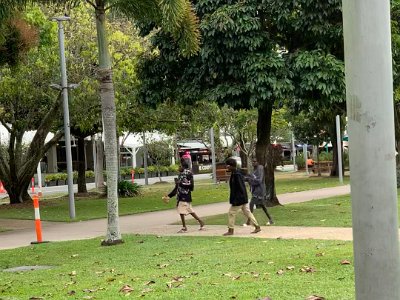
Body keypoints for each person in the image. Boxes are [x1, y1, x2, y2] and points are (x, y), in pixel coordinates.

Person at [162, 160, 204, 233]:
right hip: (181, 195)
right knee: (189, 210)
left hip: (185, 195)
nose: (178, 167)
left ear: (183, 167)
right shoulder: (180, 174)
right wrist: (169, 196)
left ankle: (184, 227)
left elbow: (191, 186)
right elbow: (177, 187)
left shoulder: (188, 174)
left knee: (181, 211)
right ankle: (200, 222)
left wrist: (180, 183)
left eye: (179, 166)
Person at [223, 157, 261, 236]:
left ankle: (231, 230)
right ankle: (257, 226)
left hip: (239, 199)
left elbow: (241, 188)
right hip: (241, 198)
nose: (226, 167)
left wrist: (237, 200)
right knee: (247, 212)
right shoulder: (234, 174)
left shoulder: (237, 175)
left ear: (232, 166)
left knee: (231, 212)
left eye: (227, 165)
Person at [244, 159, 274, 226]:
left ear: (258, 162)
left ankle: (249, 221)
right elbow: (250, 178)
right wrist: (244, 178)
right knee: (263, 206)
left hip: (259, 191)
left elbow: (259, 180)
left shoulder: (260, 168)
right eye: (253, 161)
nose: (253, 163)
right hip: (256, 191)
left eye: (255, 161)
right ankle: (271, 219)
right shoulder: (254, 170)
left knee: (251, 204)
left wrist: (250, 180)